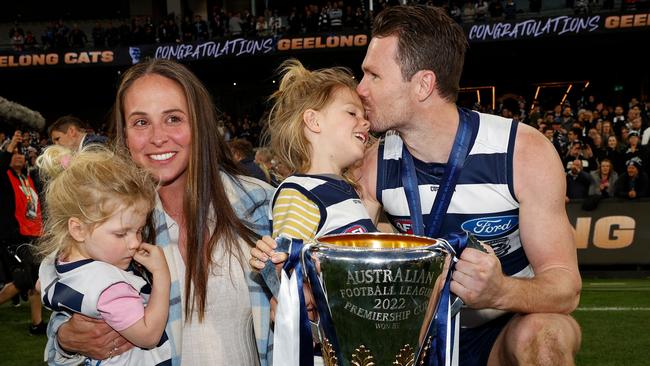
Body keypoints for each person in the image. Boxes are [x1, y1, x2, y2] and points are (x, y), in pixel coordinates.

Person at [256, 5, 581, 365]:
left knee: (548, 335)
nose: (360, 90)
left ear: (423, 84)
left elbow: (565, 287)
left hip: (500, 328)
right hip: (414, 333)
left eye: (373, 76)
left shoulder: (520, 152)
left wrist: (501, 290)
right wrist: (285, 266)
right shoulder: (370, 166)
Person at [44, 59, 274, 366]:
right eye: (141, 122)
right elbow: (70, 306)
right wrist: (66, 340)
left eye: (174, 118)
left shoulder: (257, 202)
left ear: (199, 123)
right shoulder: (107, 220)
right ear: (124, 133)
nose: (157, 137)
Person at [37, 144, 172, 365]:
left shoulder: (56, 261)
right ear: (78, 229)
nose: (135, 242)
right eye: (121, 234)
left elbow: (41, 286)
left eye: (138, 230)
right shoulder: (108, 285)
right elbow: (149, 336)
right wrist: (162, 275)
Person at [262, 59, 375, 240]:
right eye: (352, 113)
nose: (366, 123)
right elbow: (287, 264)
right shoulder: (299, 193)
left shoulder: (344, 190)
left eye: (364, 116)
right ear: (314, 121)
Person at [0, 130, 45, 335]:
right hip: (14, 237)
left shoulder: (28, 178)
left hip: (34, 235)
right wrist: (10, 147)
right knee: (23, 280)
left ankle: (36, 324)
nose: (18, 156)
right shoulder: (5, 178)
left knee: (35, 279)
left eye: (21, 154)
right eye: (14, 154)